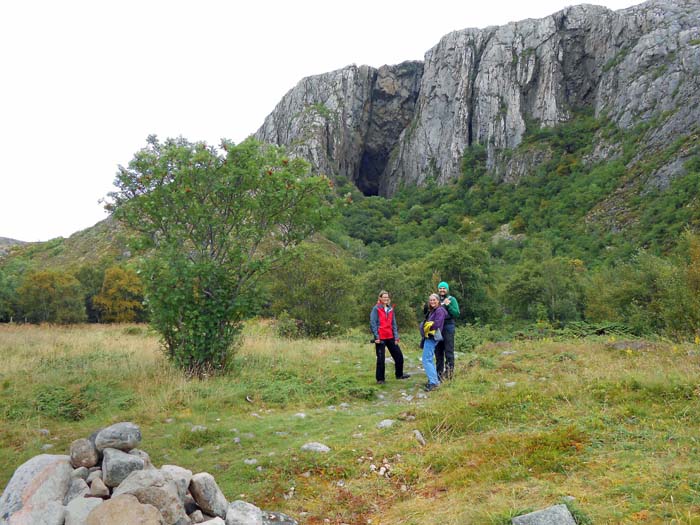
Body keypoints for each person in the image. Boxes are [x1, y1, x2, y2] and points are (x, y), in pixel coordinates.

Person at [370, 291, 410, 384]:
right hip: (381, 337)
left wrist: (396, 337)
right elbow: (373, 323)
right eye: (384, 297)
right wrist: (376, 337)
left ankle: (399, 375)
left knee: (399, 356)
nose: (386, 299)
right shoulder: (376, 309)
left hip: (390, 336)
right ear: (380, 298)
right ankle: (380, 379)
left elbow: (394, 324)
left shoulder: (390, 309)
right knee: (381, 358)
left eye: (387, 297)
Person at [420, 293, 447, 391]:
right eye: (430, 300)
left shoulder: (440, 310)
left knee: (426, 359)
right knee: (429, 359)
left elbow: (437, 324)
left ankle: (434, 383)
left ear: (438, 301)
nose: (432, 302)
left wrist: (427, 326)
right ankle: (434, 380)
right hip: (429, 337)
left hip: (432, 337)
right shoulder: (433, 311)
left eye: (434, 300)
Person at [436, 281, 460, 380]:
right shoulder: (436, 299)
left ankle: (449, 374)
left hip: (448, 326)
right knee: (438, 351)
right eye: (440, 288)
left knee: (449, 351)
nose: (442, 290)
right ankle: (439, 374)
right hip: (437, 327)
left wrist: (448, 305)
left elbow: (456, 313)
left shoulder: (452, 299)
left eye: (444, 288)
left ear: (447, 289)